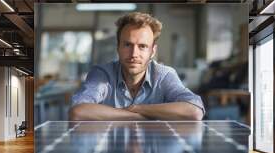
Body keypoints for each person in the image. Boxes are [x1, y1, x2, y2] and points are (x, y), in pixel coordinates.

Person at [69, 12, 205, 121]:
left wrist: (138, 108)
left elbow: (194, 111)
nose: (134, 54)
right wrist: (136, 116)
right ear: (118, 47)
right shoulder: (102, 74)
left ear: (152, 51)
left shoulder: (164, 75)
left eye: (142, 46)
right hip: (110, 151)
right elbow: (78, 111)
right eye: (128, 45)